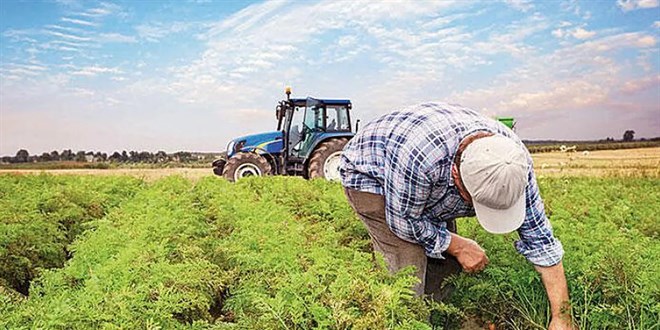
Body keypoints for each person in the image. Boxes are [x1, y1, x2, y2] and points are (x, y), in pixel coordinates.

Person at [339, 102, 573, 329]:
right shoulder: (422, 159)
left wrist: (562, 317)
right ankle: (406, 320)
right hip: (371, 175)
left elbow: (541, 241)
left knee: (447, 266)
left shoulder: (514, 163)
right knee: (408, 269)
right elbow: (403, 222)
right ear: (457, 176)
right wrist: (457, 245)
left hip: (424, 179)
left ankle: (437, 318)